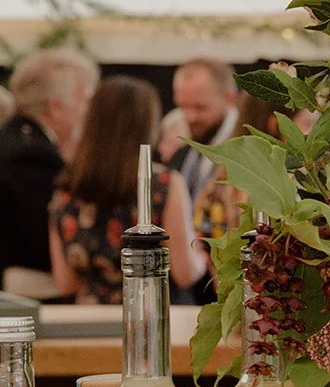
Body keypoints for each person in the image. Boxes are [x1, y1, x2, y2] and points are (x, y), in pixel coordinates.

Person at [48, 77, 206, 304]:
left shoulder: (67, 189)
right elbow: (185, 273)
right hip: (157, 315)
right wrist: (203, 253)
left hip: (91, 322)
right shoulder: (163, 184)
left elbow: (66, 283)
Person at [0, 47, 98, 297]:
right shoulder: (33, 158)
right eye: (84, 99)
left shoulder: (14, 140)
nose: (89, 111)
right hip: (31, 302)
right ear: (55, 107)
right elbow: (46, 243)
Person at [193, 92, 280, 244]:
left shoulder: (218, 182)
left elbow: (203, 242)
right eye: (306, 123)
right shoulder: (275, 192)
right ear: (276, 125)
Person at [169, 58, 239, 201]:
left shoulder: (248, 152)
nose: (190, 117)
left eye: (200, 107)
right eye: (182, 106)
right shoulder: (181, 154)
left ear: (229, 98)